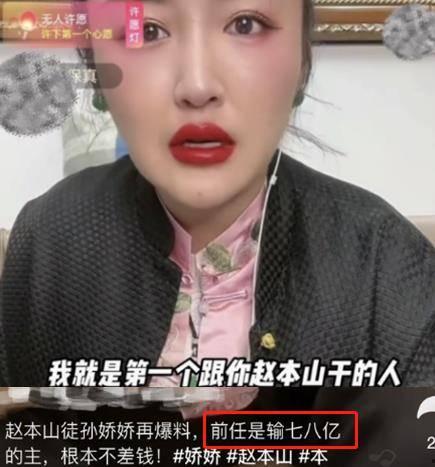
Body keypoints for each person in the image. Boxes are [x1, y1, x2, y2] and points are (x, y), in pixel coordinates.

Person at [0, 0, 434, 395]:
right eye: (145, 31)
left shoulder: (389, 269)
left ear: (303, 61)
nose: (198, 86)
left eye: (246, 24)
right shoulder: (47, 241)